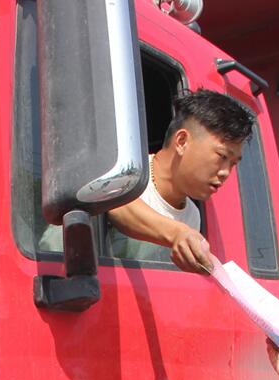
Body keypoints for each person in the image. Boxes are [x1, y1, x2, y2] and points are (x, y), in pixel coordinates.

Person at [106, 89, 253, 274]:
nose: (225, 172)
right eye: (222, 156)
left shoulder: (192, 216)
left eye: (233, 164)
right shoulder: (127, 173)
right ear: (182, 141)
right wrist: (177, 234)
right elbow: (116, 202)